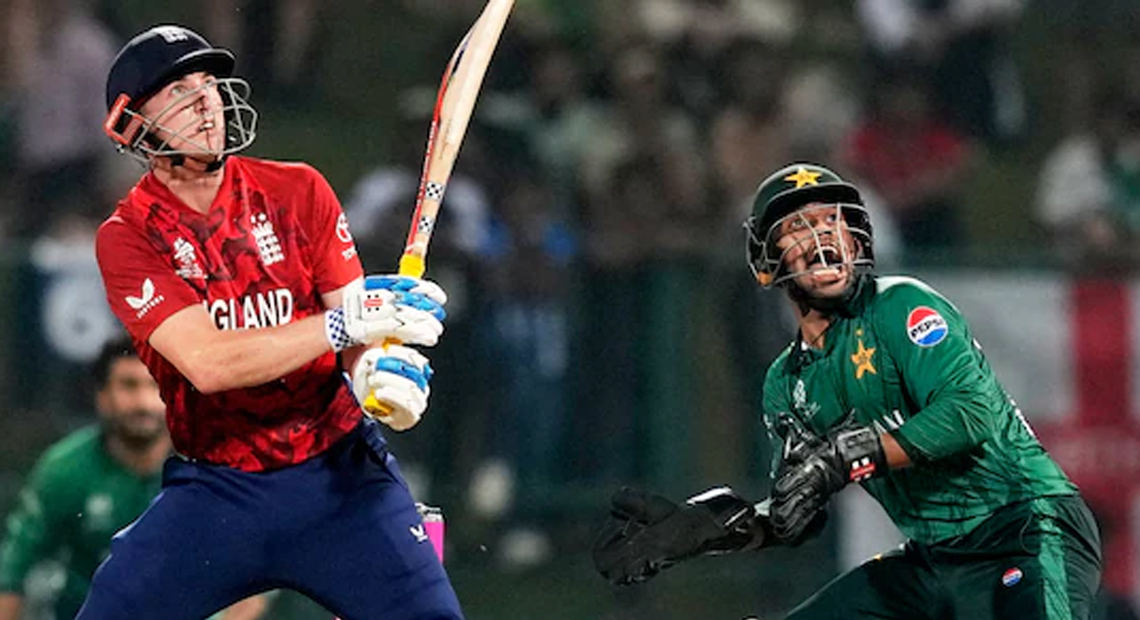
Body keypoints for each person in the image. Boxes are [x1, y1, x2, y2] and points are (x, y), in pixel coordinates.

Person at [592, 163, 1104, 619]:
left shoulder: (901, 305)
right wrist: (709, 530)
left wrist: (846, 456)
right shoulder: (786, 383)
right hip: (932, 559)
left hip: (1025, 528)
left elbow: (969, 414)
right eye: (798, 226)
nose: (821, 237)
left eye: (830, 221)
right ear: (767, 261)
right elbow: (795, 514)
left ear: (857, 240)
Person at [83, 24, 460, 620]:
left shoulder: (299, 190)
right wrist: (343, 327)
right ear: (134, 126)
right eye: (178, 90)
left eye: (208, 83)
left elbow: (357, 334)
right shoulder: (128, 237)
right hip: (219, 491)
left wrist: (376, 377)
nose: (205, 100)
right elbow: (210, 363)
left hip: (341, 473)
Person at [0, 336, 269, 620]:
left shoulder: (217, 468)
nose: (144, 402)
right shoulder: (65, 470)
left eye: (156, 385)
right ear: (102, 396)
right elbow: (12, 573)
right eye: (129, 385)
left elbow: (256, 577)